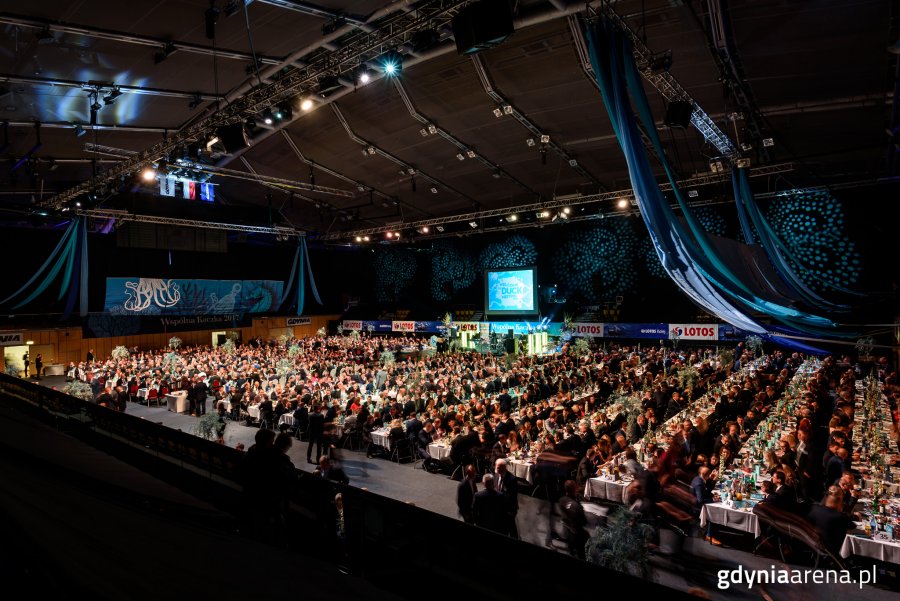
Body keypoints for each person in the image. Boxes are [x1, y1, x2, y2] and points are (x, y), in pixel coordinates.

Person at [806, 485, 854, 557]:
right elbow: (853, 526)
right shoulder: (839, 517)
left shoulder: (814, 509)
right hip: (829, 553)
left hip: (812, 548)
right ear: (839, 502)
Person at [557, 479, 588, 560]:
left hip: (567, 529)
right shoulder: (577, 506)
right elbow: (583, 522)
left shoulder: (561, 500)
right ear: (575, 489)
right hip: (577, 534)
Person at [494, 458, 519, 539]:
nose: (496, 469)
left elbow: (513, 497)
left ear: (504, 468)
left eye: (498, 468)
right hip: (498, 508)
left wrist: (512, 511)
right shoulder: (496, 475)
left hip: (508, 510)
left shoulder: (512, 479)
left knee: (512, 530)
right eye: (496, 467)